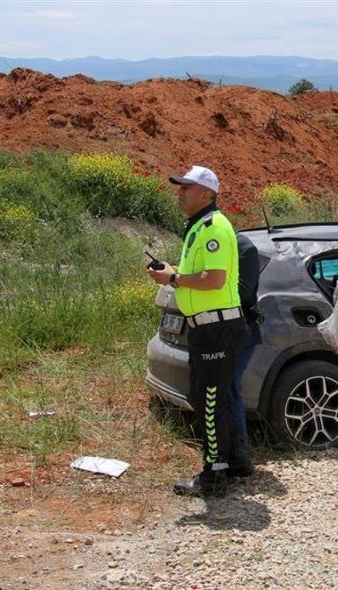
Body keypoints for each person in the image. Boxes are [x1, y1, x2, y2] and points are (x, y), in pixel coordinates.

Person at [147, 165, 246, 498]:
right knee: (208, 399)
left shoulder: (214, 226)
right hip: (207, 328)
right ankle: (230, 464)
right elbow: (199, 275)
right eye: (180, 187)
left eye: (186, 188)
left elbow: (214, 280)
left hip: (217, 328)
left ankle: (214, 476)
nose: (180, 192)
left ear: (206, 195)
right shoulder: (198, 228)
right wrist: (172, 271)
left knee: (210, 402)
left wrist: (174, 279)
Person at [228, 232, 262, 477]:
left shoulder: (244, 248)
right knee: (226, 391)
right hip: (221, 331)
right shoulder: (233, 246)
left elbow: (242, 293)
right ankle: (232, 456)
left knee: (229, 391)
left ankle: (238, 458)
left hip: (239, 330)